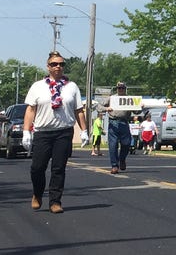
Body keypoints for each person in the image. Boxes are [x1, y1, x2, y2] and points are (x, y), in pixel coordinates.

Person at [21, 51, 89, 214]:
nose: (58, 66)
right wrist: (26, 131)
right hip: (43, 132)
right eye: (54, 64)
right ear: (48, 66)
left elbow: (79, 110)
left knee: (58, 168)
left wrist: (85, 130)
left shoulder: (71, 87)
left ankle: (55, 201)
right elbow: (31, 110)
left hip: (63, 132)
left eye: (61, 64)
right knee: (37, 168)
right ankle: (37, 194)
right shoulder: (38, 86)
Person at [104, 82, 133, 173]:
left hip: (124, 122)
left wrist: (140, 106)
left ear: (125, 89)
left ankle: (122, 159)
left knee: (126, 143)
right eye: (119, 88)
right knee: (113, 145)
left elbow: (136, 111)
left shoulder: (129, 99)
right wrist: (106, 108)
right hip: (113, 122)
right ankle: (114, 165)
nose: (120, 90)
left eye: (122, 88)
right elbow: (99, 106)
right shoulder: (112, 98)